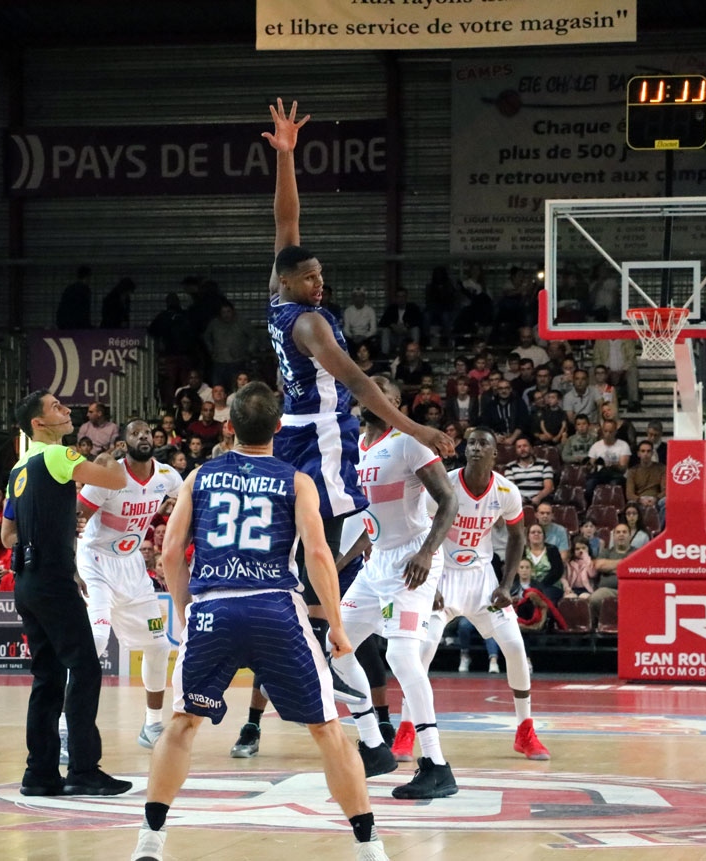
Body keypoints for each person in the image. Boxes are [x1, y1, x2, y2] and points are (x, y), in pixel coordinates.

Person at [248, 97, 453, 751]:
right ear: (291, 284)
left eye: (320, 275)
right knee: (331, 542)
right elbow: (362, 386)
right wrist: (417, 429)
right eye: (310, 277)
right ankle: (315, 609)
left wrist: (285, 156)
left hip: (295, 430)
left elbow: (287, 219)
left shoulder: (279, 294)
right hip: (322, 431)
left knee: (329, 540)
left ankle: (314, 609)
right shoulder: (309, 322)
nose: (319, 283)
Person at [135, 381, 388, 861]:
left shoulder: (200, 477)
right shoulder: (296, 480)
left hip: (214, 607)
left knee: (183, 723)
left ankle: (150, 840)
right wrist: (335, 624)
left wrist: (188, 613)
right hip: (275, 607)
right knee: (328, 729)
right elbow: (317, 554)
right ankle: (369, 846)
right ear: (278, 427)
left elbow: (170, 553)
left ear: (227, 427)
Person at [329, 374, 460, 799]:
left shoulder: (409, 441)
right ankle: (373, 746)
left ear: (396, 401)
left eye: (381, 391)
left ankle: (436, 765)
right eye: (366, 390)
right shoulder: (357, 448)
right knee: (336, 643)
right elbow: (372, 524)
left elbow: (449, 500)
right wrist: (341, 561)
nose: (370, 396)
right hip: (375, 564)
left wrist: (425, 553)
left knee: (403, 657)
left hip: (411, 561)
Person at [1, 390, 132, 798]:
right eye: (56, 407)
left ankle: (39, 773)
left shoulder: (18, 469)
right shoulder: (57, 456)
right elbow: (115, 479)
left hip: (27, 580)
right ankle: (83, 768)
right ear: (38, 423)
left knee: (48, 676)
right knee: (86, 668)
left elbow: (7, 535)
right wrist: (110, 456)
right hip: (52, 582)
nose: (66, 410)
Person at [400, 427, 550, 763]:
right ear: (464, 450)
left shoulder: (506, 491)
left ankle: (525, 731)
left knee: (514, 646)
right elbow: (418, 530)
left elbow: (517, 538)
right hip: (443, 575)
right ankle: (407, 730)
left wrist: (507, 584)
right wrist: (430, 583)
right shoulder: (445, 483)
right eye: (472, 443)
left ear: (495, 453)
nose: (476, 448)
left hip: (482, 579)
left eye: (484, 443)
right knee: (422, 650)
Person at [75, 418, 181, 753]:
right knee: (96, 639)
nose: (143, 437)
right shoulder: (109, 477)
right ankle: (67, 727)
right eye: (135, 433)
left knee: (159, 646)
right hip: (95, 563)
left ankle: (152, 726)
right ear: (124, 443)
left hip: (133, 567)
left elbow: (191, 499)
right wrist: (72, 568)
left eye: (147, 432)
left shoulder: (167, 476)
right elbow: (76, 518)